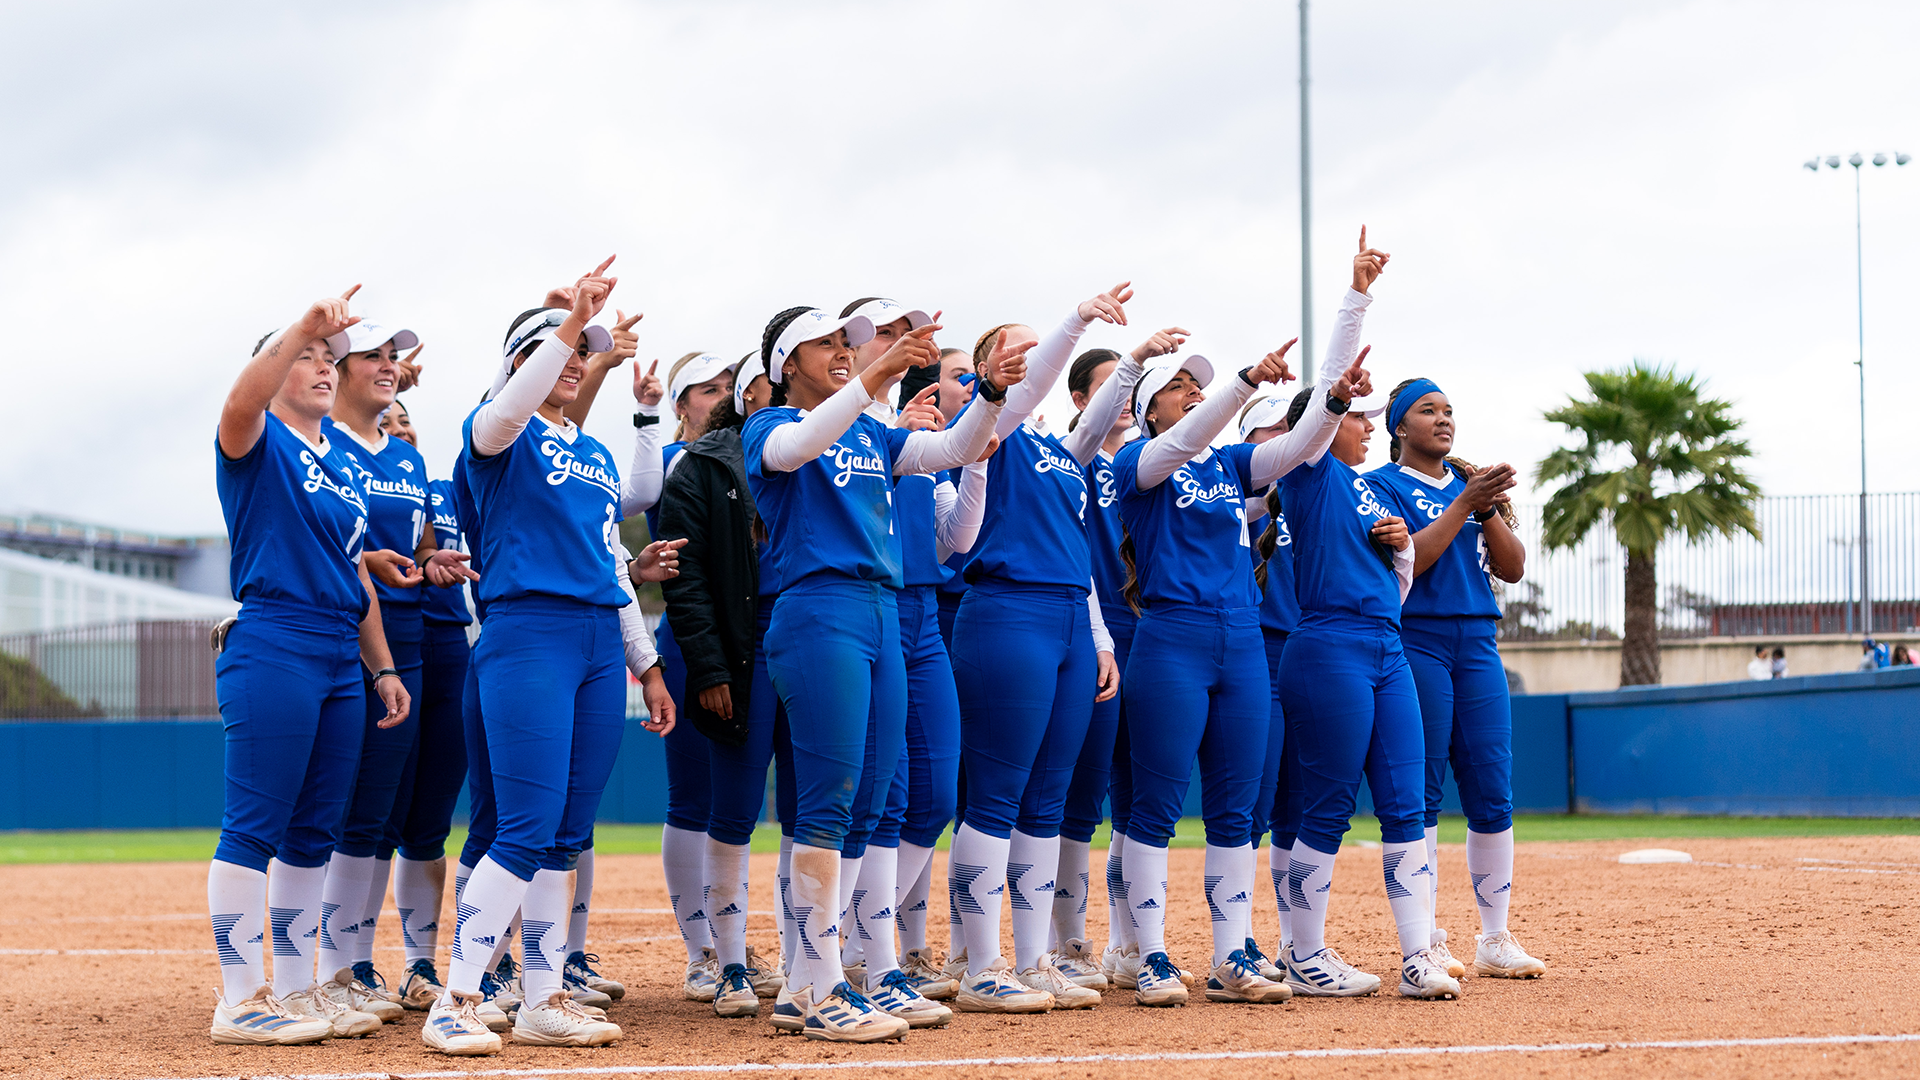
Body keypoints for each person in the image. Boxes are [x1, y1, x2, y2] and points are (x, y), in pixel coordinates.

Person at [423, 258, 674, 1055]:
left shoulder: (594, 457)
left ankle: (542, 998)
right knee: (525, 825)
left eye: (579, 354)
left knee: (565, 832)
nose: (572, 361)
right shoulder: (495, 432)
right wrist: (567, 325)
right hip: (526, 632)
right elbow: (506, 410)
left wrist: (645, 661)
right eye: (555, 353)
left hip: (598, 640)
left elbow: (610, 565)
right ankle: (456, 998)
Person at [744, 303, 1010, 1041]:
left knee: (870, 804)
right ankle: (825, 983)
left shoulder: (865, 428)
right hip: (818, 609)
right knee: (829, 804)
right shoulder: (768, 427)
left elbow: (954, 449)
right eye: (823, 343)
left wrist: (989, 392)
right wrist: (871, 377)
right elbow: (799, 446)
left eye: (844, 341)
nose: (840, 350)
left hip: (879, 610)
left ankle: (807, 987)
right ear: (785, 365)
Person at [1116, 313, 1378, 1007]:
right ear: (1148, 410)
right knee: (1157, 807)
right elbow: (1185, 440)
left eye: (1194, 385)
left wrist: (1335, 397)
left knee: (1236, 811)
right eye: (1176, 386)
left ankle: (1232, 956)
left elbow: (1298, 448)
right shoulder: (1138, 465)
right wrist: (1244, 382)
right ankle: (1152, 959)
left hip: (1239, 638)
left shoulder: (1231, 465)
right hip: (1172, 638)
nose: (1191, 392)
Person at [206, 287, 411, 1045]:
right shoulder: (258, 440)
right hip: (275, 640)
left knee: (314, 832)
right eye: (308, 359)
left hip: (336, 652)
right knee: (255, 826)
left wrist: (383, 668)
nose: (323, 367)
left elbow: (354, 574)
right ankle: (240, 998)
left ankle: (296, 990)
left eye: (331, 359)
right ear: (278, 366)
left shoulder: (342, 466)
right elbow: (238, 401)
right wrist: (301, 328)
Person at [1274, 230, 1466, 1002]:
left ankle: (1419, 955)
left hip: (1386, 647)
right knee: (1325, 803)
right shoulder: (1309, 469)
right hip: (1327, 647)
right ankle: (1304, 953)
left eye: (1357, 415)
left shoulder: (1373, 490)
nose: (1359, 422)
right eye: (1350, 416)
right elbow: (1327, 396)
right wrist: (1356, 297)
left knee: (1404, 802)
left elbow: (1401, 585)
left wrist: (1400, 550)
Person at [944, 286, 1144, 1014]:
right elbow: (1021, 391)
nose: (1031, 360)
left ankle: (1034, 961)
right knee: (996, 795)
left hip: (1067, 617)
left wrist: (1097, 638)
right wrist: (1078, 321)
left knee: (1046, 801)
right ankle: (981, 965)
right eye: (1015, 348)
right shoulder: (985, 426)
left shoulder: (1062, 454)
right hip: (1006, 613)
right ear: (986, 367)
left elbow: (1079, 558)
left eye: (1038, 347)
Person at [1366, 376, 1547, 981]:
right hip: (1415, 639)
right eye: (1427, 410)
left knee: (1493, 789)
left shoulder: (1469, 491)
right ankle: (1427, 940)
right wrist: (1464, 505)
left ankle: (1494, 938)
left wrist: (1485, 506)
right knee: (1421, 795)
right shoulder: (1378, 486)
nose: (1443, 419)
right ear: (1398, 426)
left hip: (1477, 642)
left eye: (1448, 410)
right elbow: (1409, 557)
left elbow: (1514, 568)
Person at [315, 317, 458, 1024]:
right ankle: (338, 968)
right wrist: (361, 564)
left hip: (409, 644)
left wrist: (433, 563)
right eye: (369, 355)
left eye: (392, 355)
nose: (387, 364)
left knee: (382, 814)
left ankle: (357, 966)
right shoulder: (320, 446)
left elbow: (421, 545)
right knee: (352, 814)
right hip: (346, 643)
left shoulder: (403, 458)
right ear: (334, 371)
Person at [662, 355, 790, 1022]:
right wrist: (710, 668)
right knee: (711, 802)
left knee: (803, 806)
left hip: (802, 634)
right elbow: (682, 576)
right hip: (725, 646)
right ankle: (715, 956)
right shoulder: (696, 463)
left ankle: (800, 959)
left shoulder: (811, 446)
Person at [1047, 340, 1166, 992]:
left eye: (1133, 390)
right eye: (1114, 389)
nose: (1126, 401)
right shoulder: (1076, 459)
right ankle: (1064, 941)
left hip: (1155, 633)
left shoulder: (1154, 464)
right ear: (1081, 401)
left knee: (1133, 798)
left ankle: (1126, 944)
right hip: (1091, 631)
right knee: (1076, 796)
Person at [645, 351, 736, 1002]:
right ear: (681, 405)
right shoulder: (681, 461)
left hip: (742, 640)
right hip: (688, 637)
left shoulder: (737, 455)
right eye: (708, 390)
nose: (723, 396)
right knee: (694, 799)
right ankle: (703, 952)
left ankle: (724, 945)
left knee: (731, 802)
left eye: (730, 386)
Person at [1235, 393, 1302, 981]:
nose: (1286, 440)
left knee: (1299, 807)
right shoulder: (1241, 502)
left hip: (1315, 656)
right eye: (1272, 430)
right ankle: (1241, 938)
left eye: (1292, 430)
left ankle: (1297, 942)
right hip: (1258, 650)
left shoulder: (1318, 493)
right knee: (1252, 803)